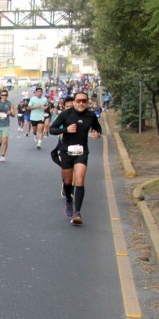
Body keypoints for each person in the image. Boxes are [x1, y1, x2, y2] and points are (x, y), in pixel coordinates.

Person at [49, 91, 102, 225]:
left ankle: (77, 213)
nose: (81, 103)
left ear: (87, 102)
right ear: (74, 102)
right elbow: (52, 129)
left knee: (79, 180)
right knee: (67, 181)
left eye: (84, 101)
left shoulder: (91, 115)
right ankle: (68, 200)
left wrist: (97, 134)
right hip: (66, 151)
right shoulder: (65, 114)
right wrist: (66, 130)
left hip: (81, 151)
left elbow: (97, 128)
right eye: (78, 101)